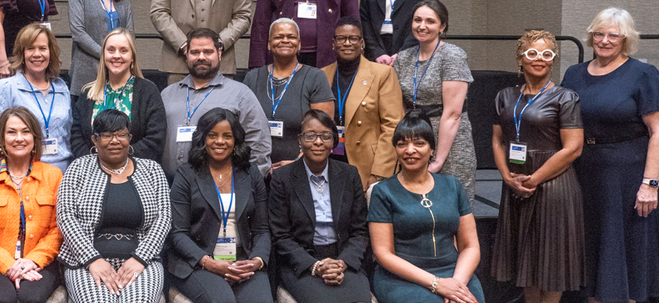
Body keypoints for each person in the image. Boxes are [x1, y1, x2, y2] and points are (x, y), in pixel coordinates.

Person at [560, 8, 659, 303]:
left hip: (626, 178)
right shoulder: (573, 73)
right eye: (599, 34)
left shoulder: (643, 74)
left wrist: (651, 184)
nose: (604, 40)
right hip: (582, 172)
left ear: (625, 39)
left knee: (623, 251)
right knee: (591, 247)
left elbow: (657, 131)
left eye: (613, 35)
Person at [490, 30, 584, 303]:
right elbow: (498, 141)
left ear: (553, 60)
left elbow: (573, 148)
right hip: (516, 182)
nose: (539, 59)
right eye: (532, 53)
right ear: (520, 58)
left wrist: (535, 179)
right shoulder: (504, 96)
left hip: (554, 185)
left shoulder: (566, 97)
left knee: (551, 263)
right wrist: (508, 177)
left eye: (546, 54)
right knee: (527, 262)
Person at [368, 110, 484, 303]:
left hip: (454, 272)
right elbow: (383, 254)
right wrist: (438, 284)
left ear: (432, 149)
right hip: (402, 277)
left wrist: (456, 284)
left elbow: (470, 246)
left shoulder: (452, 185)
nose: (410, 150)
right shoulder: (383, 191)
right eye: (402, 144)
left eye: (419, 143)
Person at [56, 109, 170, 303]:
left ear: (130, 137)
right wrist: (92, 259)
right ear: (95, 139)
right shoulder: (78, 168)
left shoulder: (152, 169)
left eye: (121, 135)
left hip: (142, 261)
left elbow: (164, 218)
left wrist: (140, 258)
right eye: (107, 135)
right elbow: (66, 216)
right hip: (86, 261)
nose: (115, 141)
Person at [168, 108, 272, 303]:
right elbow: (178, 233)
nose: (220, 141)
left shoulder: (251, 173)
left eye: (227, 136)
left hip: (243, 261)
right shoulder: (186, 175)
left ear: (236, 140)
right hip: (199, 262)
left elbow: (262, 230)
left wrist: (256, 261)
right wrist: (210, 263)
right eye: (212, 135)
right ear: (202, 138)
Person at [269, 110, 372, 303]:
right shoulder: (283, 178)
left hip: (344, 258)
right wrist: (315, 266)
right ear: (300, 140)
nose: (318, 142)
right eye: (310, 136)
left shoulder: (349, 175)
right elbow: (281, 236)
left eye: (325, 136)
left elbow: (360, 230)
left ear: (334, 142)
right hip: (302, 262)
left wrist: (342, 263)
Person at [0, 107, 64, 303]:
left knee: (31, 297)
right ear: (2, 139)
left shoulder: (54, 176)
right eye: (11, 132)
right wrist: (9, 265)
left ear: (35, 137)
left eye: (26, 131)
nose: (19, 138)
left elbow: (58, 230)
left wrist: (32, 260)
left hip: (41, 261)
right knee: (3, 299)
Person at [392, 0, 477, 201]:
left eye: (430, 21)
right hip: (415, 139)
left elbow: (453, 114)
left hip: (450, 142)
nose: (422, 26)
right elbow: (400, 101)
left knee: (452, 204)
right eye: (417, 20)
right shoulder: (404, 57)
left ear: (442, 26)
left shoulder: (452, 55)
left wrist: (438, 159)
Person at [161, 28, 271, 178]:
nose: (201, 57)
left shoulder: (240, 94)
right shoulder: (167, 94)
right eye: (194, 52)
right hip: (170, 188)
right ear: (186, 55)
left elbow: (258, 143)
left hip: (221, 190)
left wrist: (249, 184)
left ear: (219, 54)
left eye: (207, 52)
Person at [243, 18, 334, 173]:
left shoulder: (315, 77)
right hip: (255, 171)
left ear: (299, 45)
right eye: (278, 37)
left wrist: (297, 163)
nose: (285, 40)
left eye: (291, 37)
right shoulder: (252, 78)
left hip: (300, 169)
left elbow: (324, 131)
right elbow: (242, 126)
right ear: (269, 44)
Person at [322, 16, 404, 189]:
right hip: (328, 160)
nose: (347, 43)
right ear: (333, 43)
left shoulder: (382, 74)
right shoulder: (322, 75)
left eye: (353, 38)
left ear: (362, 43)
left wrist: (379, 172)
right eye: (341, 38)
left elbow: (393, 126)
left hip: (367, 164)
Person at [71, 28, 166, 162]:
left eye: (123, 50)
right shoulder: (88, 93)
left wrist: (121, 161)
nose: (116, 55)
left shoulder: (148, 91)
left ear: (132, 57)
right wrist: (94, 163)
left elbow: (155, 138)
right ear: (103, 55)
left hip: (134, 170)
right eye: (111, 50)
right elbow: (76, 136)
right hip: (92, 171)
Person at [0, 24, 72, 172]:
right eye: (30, 48)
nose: (37, 54)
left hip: (62, 172)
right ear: (22, 53)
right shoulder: (7, 87)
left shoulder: (61, 87)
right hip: (25, 173)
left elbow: (68, 135)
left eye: (42, 48)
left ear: (50, 52)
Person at [69, 0, 134, 94]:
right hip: (86, 74)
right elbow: (78, 33)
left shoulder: (123, 2)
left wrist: (117, 57)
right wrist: (107, 54)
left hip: (118, 73)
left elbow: (130, 35)